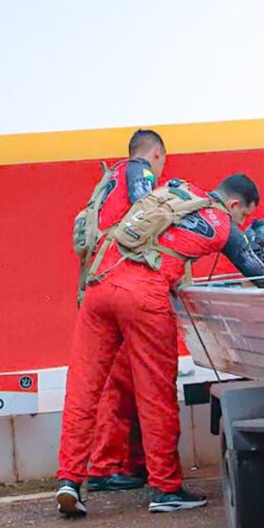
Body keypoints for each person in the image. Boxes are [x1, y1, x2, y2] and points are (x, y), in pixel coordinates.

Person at [56, 173, 264, 516]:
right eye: (245, 216)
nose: (243, 224)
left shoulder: (177, 189)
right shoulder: (221, 223)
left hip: (100, 283)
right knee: (156, 393)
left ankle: (69, 481)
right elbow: (258, 273)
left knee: (83, 389)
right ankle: (165, 489)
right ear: (235, 204)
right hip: (144, 296)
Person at [87, 129, 166, 492]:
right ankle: (105, 466)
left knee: (122, 380)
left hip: (100, 281)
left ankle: (130, 462)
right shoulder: (139, 171)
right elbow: (145, 212)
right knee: (121, 381)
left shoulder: (109, 181)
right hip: (125, 285)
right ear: (157, 155)